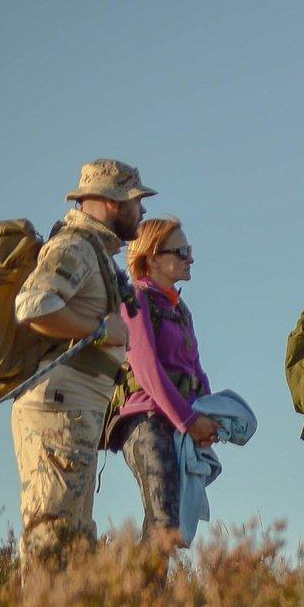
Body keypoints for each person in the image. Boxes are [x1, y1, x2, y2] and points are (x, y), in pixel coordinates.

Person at [11, 158, 150, 570]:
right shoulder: (74, 246)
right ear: (110, 202)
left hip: (74, 406)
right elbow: (33, 306)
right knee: (53, 533)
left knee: (71, 535)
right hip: (60, 405)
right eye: (135, 202)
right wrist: (100, 329)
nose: (141, 212)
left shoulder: (95, 251)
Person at [108, 217, 219, 551]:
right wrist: (189, 421)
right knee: (164, 523)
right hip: (145, 421)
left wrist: (209, 417)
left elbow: (196, 371)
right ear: (153, 257)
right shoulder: (136, 300)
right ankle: (144, 601)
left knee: (168, 523)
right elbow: (146, 370)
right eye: (182, 251)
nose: (190, 258)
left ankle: (142, 598)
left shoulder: (179, 308)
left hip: (176, 423)